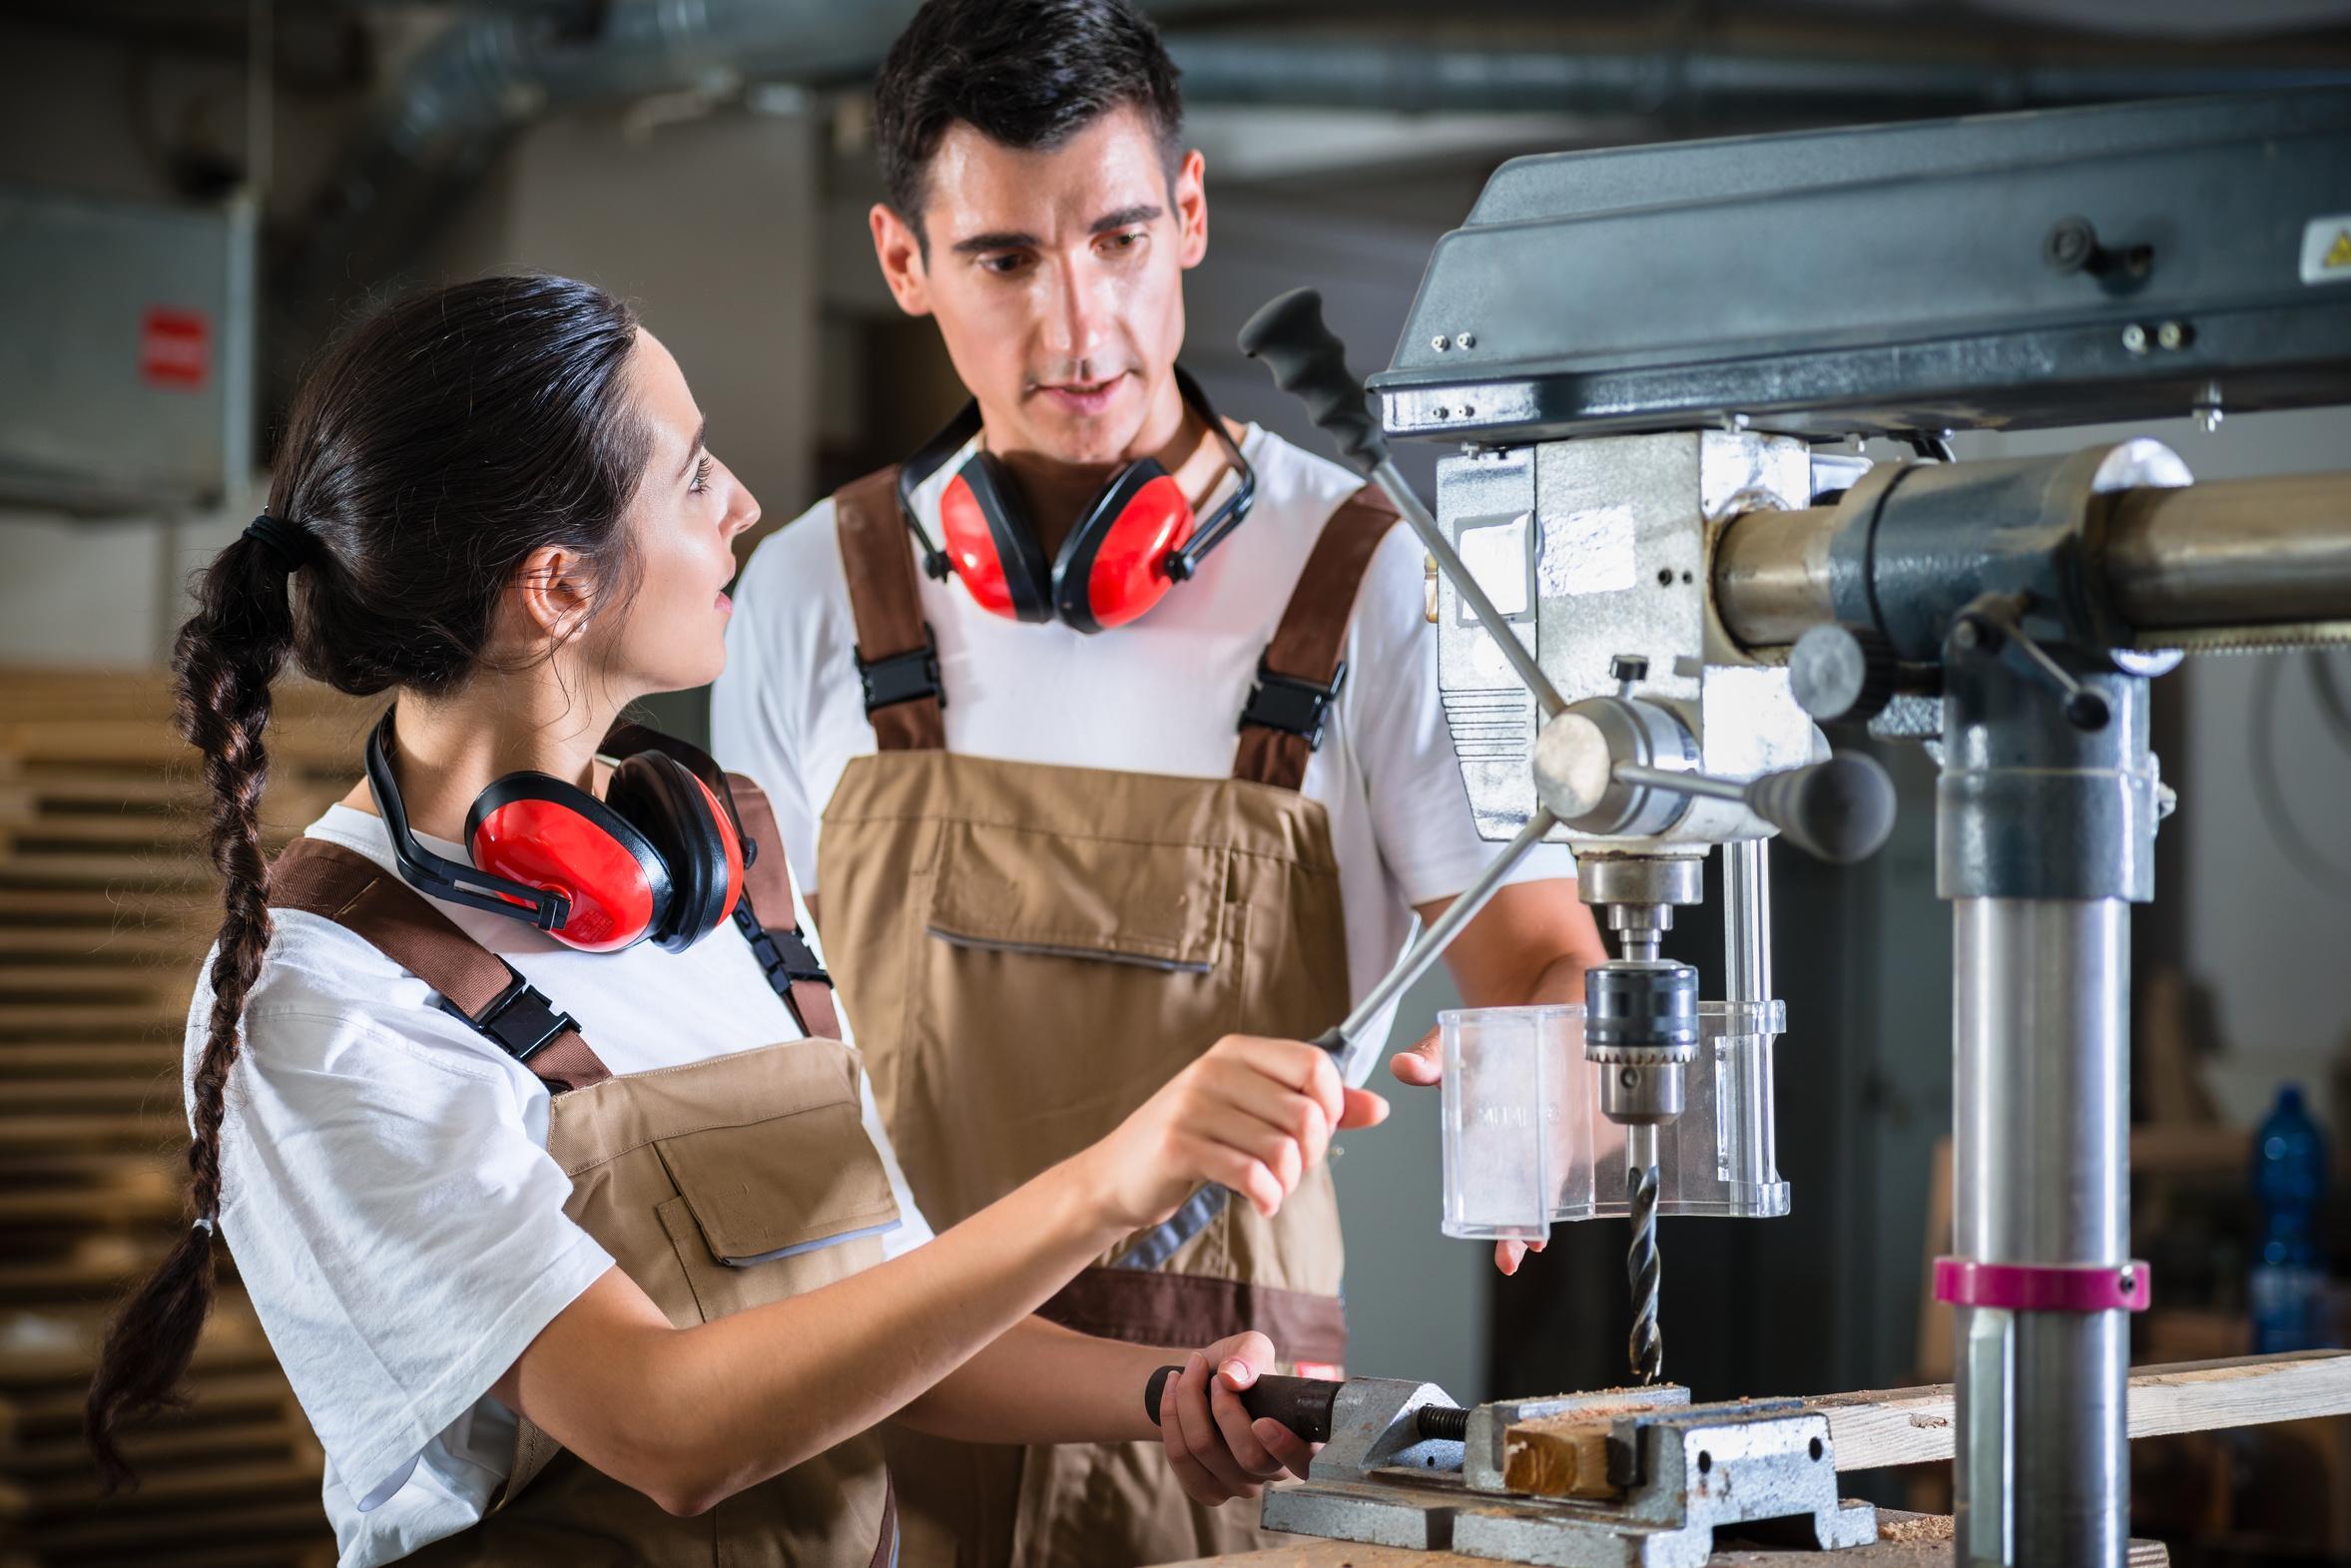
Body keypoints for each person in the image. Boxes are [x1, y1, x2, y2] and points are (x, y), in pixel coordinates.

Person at [80, 273, 1386, 1568]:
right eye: (694, 473)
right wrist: (1110, 1183)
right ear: (556, 588)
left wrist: (1159, 1396)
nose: (749, 504)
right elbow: (666, 1428)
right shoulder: (325, 996)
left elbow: (870, 1326)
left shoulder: (714, 872)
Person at [710, 2, 1610, 1561]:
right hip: (869, 1428)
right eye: (1003, 259)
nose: (1080, 327)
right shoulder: (804, 597)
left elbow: (1537, 951)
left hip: (1228, 1439)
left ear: (1189, 215)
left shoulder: (1373, 577)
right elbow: (744, 1054)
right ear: (903, 261)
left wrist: (1538, 1092)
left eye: (1120, 238)